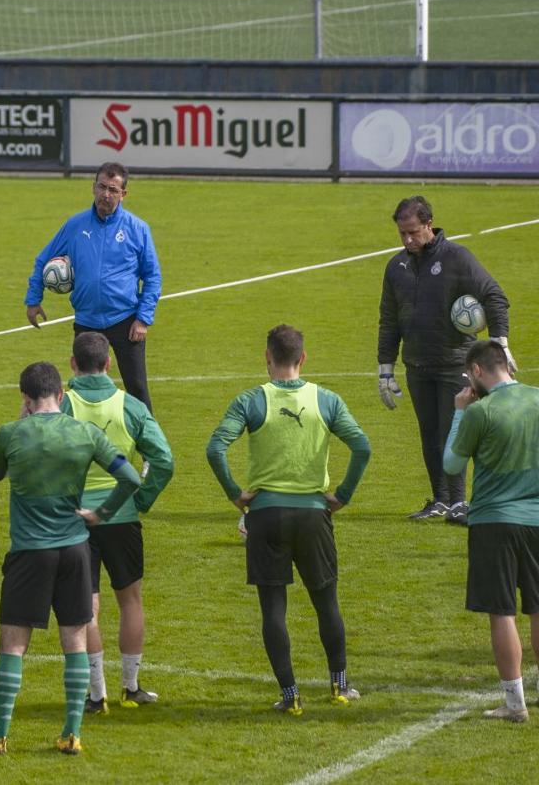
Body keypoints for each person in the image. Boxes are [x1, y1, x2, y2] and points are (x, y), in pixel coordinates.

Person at [0, 361, 141, 756]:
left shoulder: (10, 433)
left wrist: (18, 424)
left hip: (30, 552)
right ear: (61, 395)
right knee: (74, 641)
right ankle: (71, 733)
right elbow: (130, 477)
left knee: (12, 644)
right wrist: (102, 514)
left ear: (25, 399)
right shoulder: (85, 433)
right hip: (75, 549)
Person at [206, 324, 371, 716]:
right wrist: (342, 495)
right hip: (314, 515)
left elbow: (215, 448)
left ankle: (290, 694)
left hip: (266, 516)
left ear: (267, 357)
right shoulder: (326, 400)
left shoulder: (250, 400)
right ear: (303, 358)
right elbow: (362, 446)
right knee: (326, 601)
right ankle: (340, 686)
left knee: (273, 609)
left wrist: (235, 493)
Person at [377, 195, 512, 524]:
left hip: (455, 363)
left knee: (452, 432)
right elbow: (389, 320)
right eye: (402, 234)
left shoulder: (457, 258)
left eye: (413, 232)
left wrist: (500, 343)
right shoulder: (396, 267)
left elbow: (494, 295)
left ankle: (459, 503)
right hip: (417, 366)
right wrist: (385, 369)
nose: (408, 240)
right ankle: (440, 499)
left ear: (428, 224)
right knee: (429, 434)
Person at [60, 332, 174, 713]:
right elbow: (164, 461)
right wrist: (140, 497)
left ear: (73, 364)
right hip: (122, 516)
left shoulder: (63, 405)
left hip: (76, 521)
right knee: (130, 600)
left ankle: (96, 695)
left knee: (86, 607)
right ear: (109, 364)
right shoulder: (131, 405)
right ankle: (131, 686)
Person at [443, 340, 539, 723]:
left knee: (502, 612)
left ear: (478, 372)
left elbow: (451, 464)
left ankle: (515, 704)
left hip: (494, 521)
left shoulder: (479, 412)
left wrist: (458, 413)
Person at [25, 162, 162, 413]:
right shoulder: (75, 225)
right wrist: (33, 300)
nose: (105, 194)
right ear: (93, 187)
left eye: (112, 189)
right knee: (81, 391)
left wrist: (143, 319)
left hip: (126, 321)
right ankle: (81, 445)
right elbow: (43, 260)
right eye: (101, 187)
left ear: (123, 194)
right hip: (87, 322)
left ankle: (152, 452)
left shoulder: (137, 229)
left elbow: (152, 276)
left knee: (137, 389)